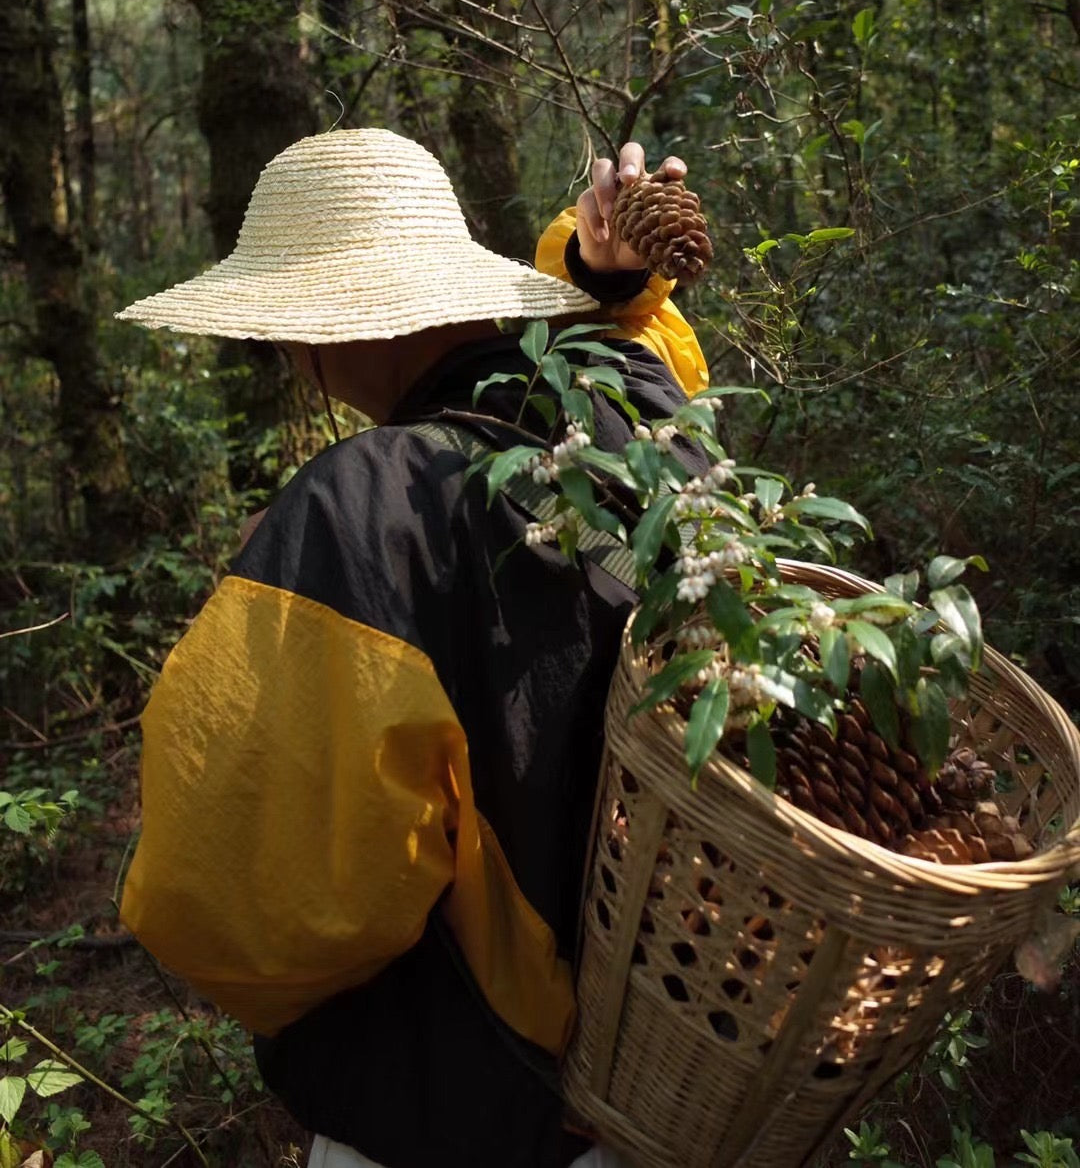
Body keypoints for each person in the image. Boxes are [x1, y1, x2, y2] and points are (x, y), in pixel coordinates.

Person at [116, 128, 709, 1168]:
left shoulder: (358, 516)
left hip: (468, 1105)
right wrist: (591, 274)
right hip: (671, 1063)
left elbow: (240, 902)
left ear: (320, 331)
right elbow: (636, 342)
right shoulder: (641, 402)